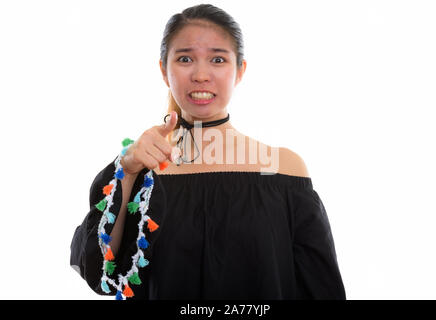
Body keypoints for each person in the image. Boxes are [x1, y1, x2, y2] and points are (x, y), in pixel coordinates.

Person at [70, 3, 346, 300]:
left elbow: (321, 289)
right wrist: (127, 169)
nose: (201, 75)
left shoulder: (284, 169)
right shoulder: (143, 169)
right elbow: (104, 276)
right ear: (164, 70)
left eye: (217, 59)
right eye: (185, 58)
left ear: (239, 70)